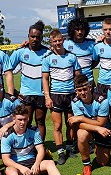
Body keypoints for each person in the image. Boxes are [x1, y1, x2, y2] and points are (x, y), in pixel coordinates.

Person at [1, 105, 82, 175]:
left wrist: (36, 163)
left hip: (32, 161)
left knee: (49, 163)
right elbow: (6, 159)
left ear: (28, 118)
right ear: (14, 118)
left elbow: (40, 149)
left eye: (25, 119)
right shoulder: (7, 136)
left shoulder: (34, 130)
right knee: (9, 170)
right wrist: (21, 168)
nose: (22, 122)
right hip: (17, 166)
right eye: (20, 119)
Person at [42, 29, 81, 165]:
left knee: (71, 123)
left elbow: (78, 76)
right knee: (57, 125)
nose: (58, 43)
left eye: (59, 40)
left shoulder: (72, 57)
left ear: (63, 40)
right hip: (56, 95)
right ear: (51, 43)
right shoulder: (48, 58)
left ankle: (70, 148)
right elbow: (45, 79)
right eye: (55, 41)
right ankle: (60, 152)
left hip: (70, 94)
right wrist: (47, 97)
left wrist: (78, 92)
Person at [9, 20, 50, 140]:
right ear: (28, 36)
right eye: (32, 36)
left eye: (37, 37)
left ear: (41, 37)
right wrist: (15, 92)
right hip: (26, 94)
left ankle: (40, 146)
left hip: (41, 93)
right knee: (26, 120)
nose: (35, 39)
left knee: (40, 121)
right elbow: (7, 70)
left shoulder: (47, 53)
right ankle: (26, 146)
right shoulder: (21, 52)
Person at [68, 74, 111, 175]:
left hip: (104, 129)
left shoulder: (102, 100)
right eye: (79, 90)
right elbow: (80, 125)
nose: (83, 93)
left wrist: (82, 118)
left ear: (90, 87)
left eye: (85, 89)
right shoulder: (75, 102)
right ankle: (86, 164)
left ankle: (97, 145)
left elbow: (101, 123)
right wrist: (96, 128)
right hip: (94, 129)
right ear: (76, 92)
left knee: (103, 162)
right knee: (81, 134)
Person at [64, 18, 96, 87]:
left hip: (89, 81)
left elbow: (96, 60)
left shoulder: (92, 44)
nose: (80, 32)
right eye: (77, 30)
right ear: (72, 30)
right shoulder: (66, 44)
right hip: (73, 82)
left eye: (82, 29)